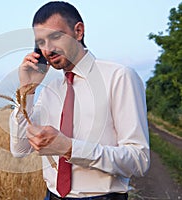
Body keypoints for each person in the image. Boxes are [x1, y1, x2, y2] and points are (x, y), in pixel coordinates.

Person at [9, 1, 150, 199]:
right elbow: (20, 149)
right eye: (41, 42)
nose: (47, 50)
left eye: (55, 37)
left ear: (78, 31)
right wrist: (26, 90)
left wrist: (69, 148)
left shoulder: (119, 77)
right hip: (52, 195)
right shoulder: (50, 90)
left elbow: (139, 160)